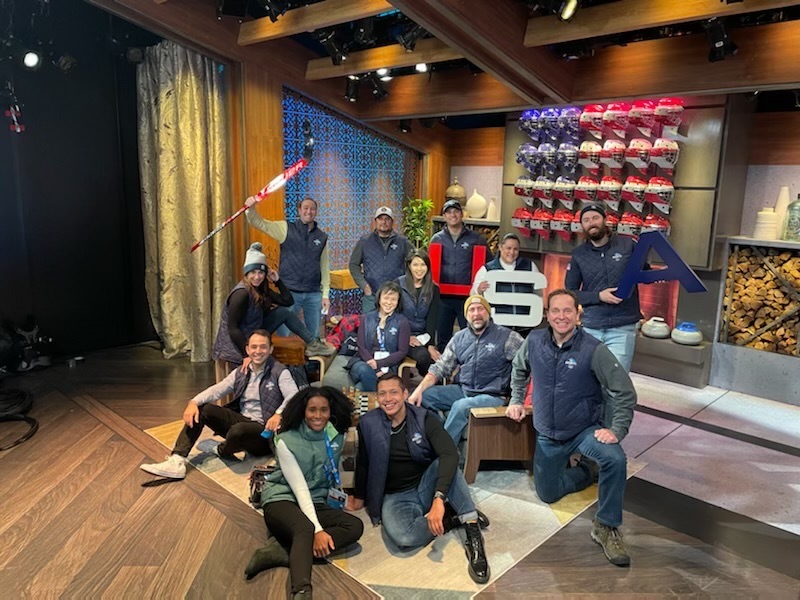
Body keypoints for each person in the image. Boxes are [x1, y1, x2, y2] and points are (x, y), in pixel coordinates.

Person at [506, 289, 636, 567]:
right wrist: (516, 399)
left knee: (615, 459)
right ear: (547, 315)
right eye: (555, 311)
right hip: (548, 434)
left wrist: (617, 429)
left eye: (568, 311)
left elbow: (623, 391)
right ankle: (587, 471)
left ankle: (606, 525)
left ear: (578, 315)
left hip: (583, 430)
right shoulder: (534, 340)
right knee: (548, 494)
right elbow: (519, 369)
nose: (561, 316)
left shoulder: (593, 349)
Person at [347, 374, 490, 584]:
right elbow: (364, 461)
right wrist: (359, 495)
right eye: (382, 394)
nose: (388, 398)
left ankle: (471, 528)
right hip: (395, 495)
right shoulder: (368, 423)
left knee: (447, 463)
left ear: (405, 394)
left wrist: (439, 498)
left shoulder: (425, 418)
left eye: (394, 392)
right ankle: (451, 515)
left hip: (426, 485)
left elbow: (450, 453)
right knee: (404, 538)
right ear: (377, 397)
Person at [245, 386, 364, 598]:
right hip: (281, 499)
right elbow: (299, 489)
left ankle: (282, 552)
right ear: (303, 411)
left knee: (354, 526)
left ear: (331, 411)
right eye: (312, 410)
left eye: (324, 410)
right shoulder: (286, 440)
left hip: (316, 500)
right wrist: (318, 530)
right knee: (305, 528)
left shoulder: (335, 436)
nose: (318, 416)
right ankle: (301, 591)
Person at [141, 330, 299, 479]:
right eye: (254, 347)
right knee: (203, 409)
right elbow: (218, 389)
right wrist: (193, 402)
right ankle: (177, 460)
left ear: (271, 349)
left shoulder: (279, 372)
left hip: (264, 432)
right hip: (242, 420)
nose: (258, 351)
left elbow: (294, 395)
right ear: (247, 349)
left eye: (263, 347)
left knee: (239, 430)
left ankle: (219, 449)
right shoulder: (242, 371)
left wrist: (279, 413)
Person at [409, 295, 523, 445]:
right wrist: (418, 391)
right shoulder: (459, 338)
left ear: (488, 312)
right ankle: (440, 433)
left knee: (460, 406)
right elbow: (440, 368)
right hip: (464, 390)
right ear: (466, 316)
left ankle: (444, 453)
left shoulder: (507, 337)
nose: (476, 314)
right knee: (423, 397)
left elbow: (526, 366)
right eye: (471, 310)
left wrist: (517, 399)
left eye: (480, 309)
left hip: (493, 395)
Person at [212, 243, 335, 363]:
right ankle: (313, 343)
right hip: (237, 343)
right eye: (253, 272)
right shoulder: (241, 294)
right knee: (283, 312)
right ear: (247, 273)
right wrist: (247, 354)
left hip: (254, 331)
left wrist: (277, 281)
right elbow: (232, 328)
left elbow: (288, 301)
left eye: (261, 273)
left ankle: (313, 344)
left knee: (285, 312)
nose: (257, 276)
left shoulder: (261, 289)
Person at [565, 203, 645, 371]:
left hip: (622, 327)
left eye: (595, 218)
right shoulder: (578, 254)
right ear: (582, 226)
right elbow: (570, 293)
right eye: (586, 220)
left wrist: (661, 274)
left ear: (605, 220)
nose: (591, 223)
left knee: (617, 380)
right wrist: (599, 296)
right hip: (591, 327)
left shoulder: (627, 245)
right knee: (588, 380)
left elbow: (644, 271)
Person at [245, 196, 330, 335]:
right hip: (289, 293)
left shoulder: (322, 237)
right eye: (305, 208)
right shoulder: (285, 228)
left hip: (314, 294)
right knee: (284, 335)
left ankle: (311, 357)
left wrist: (325, 294)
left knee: (313, 336)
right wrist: (251, 208)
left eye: (312, 209)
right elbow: (259, 223)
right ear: (299, 210)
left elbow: (324, 267)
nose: (309, 211)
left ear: (316, 212)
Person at [430, 200, 490, 352]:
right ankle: (445, 373)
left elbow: (489, 264)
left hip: (468, 298)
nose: (453, 215)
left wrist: (483, 283)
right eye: (449, 212)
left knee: (470, 335)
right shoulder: (437, 239)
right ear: (444, 216)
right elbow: (428, 267)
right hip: (443, 298)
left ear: (462, 214)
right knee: (443, 337)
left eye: (456, 211)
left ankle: (466, 370)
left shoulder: (476, 239)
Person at [346, 281, 410, 392]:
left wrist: (380, 364)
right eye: (386, 298)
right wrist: (373, 365)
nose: (389, 302)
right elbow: (361, 346)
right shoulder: (367, 318)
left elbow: (402, 351)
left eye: (393, 299)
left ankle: (373, 400)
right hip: (363, 362)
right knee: (364, 370)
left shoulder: (402, 321)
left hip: (388, 365)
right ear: (379, 298)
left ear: (398, 302)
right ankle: (380, 398)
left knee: (359, 389)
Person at [471, 233, 541, 334]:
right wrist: (478, 290)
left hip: (524, 327)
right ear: (500, 247)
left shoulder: (530, 267)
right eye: (508, 248)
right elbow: (473, 295)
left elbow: (538, 293)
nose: (512, 252)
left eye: (515, 249)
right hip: (498, 327)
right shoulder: (487, 269)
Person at [349, 206, 414, 313]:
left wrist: (406, 284)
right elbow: (353, 265)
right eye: (380, 219)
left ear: (392, 222)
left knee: (394, 327)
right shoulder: (364, 242)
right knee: (370, 328)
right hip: (371, 296)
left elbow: (415, 262)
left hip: (394, 296)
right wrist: (364, 285)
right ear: (375, 221)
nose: (384, 222)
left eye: (387, 219)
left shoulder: (402, 242)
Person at [397, 249, 441, 376]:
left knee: (434, 358)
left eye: (423, 265)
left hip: (422, 336)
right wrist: (407, 336)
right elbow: (395, 316)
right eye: (415, 265)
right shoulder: (398, 285)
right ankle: (428, 381)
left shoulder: (433, 289)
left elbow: (432, 319)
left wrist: (431, 345)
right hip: (400, 335)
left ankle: (432, 386)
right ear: (409, 266)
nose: (419, 269)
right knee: (423, 356)